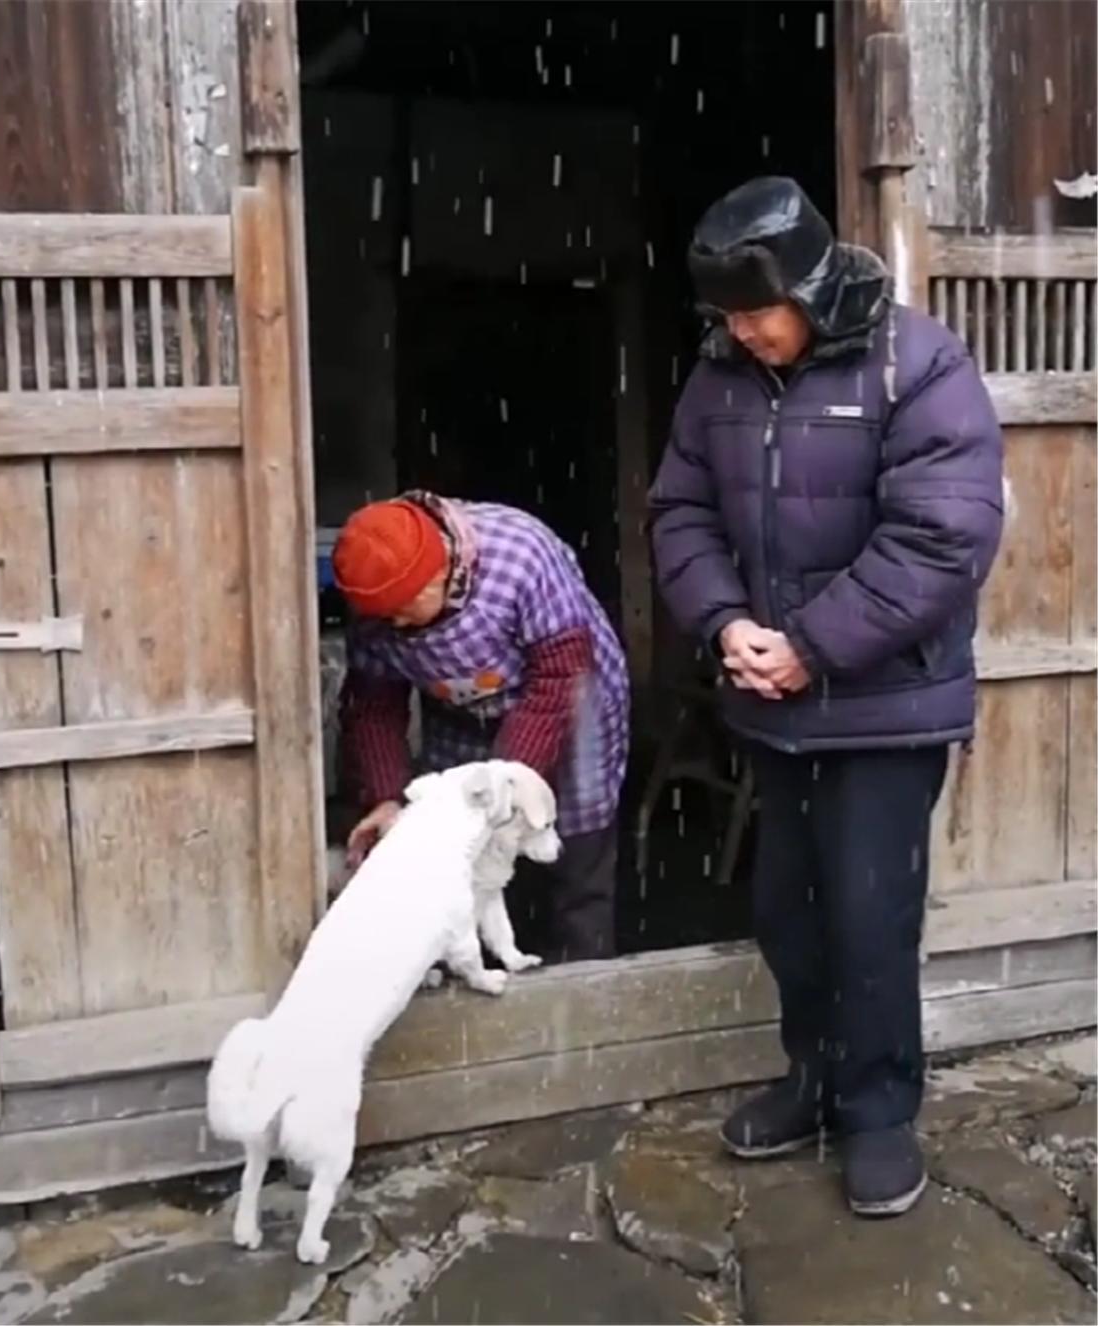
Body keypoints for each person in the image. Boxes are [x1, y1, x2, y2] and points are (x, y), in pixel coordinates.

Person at [649, 177, 1003, 1216]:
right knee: (786, 912)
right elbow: (679, 510)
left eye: (756, 312)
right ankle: (810, 1081)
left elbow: (942, 537)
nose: (742, 332)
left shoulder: (915, 362)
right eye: (727, 316)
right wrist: (724, 625)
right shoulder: (718, 377)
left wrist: (811, 645)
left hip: (888, 706)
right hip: (773, 702)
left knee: (869, 914)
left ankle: (879, 1111)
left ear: (807, 286)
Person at [333, 490, 629, 964]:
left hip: (574, 696)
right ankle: (489, 968)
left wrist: (508, 782)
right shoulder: (378, 610)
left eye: (406, 607)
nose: (397, 623)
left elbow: (559, 677)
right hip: (461, 710)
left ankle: (583, 976)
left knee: (571, 846)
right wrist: (386, 796)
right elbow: (373, 706)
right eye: (384, 617)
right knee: (461, 843)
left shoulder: (521, 556)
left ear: (440, 571)